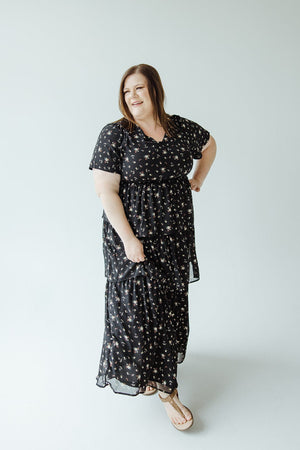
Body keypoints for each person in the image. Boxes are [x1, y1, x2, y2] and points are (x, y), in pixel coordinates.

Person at [88, 63, 216, 431]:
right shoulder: (116, 134)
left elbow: (209, 146)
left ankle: (157, 377)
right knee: (139, 307)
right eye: (127, 92)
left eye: (139, 89)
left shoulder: (178, 128)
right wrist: (129, 240)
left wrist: (198, 178)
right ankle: (166, 391)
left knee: (168, 304)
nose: (132, 97)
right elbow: (105, 191)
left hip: (174, 233)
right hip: (131, 236)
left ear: (155, 91)